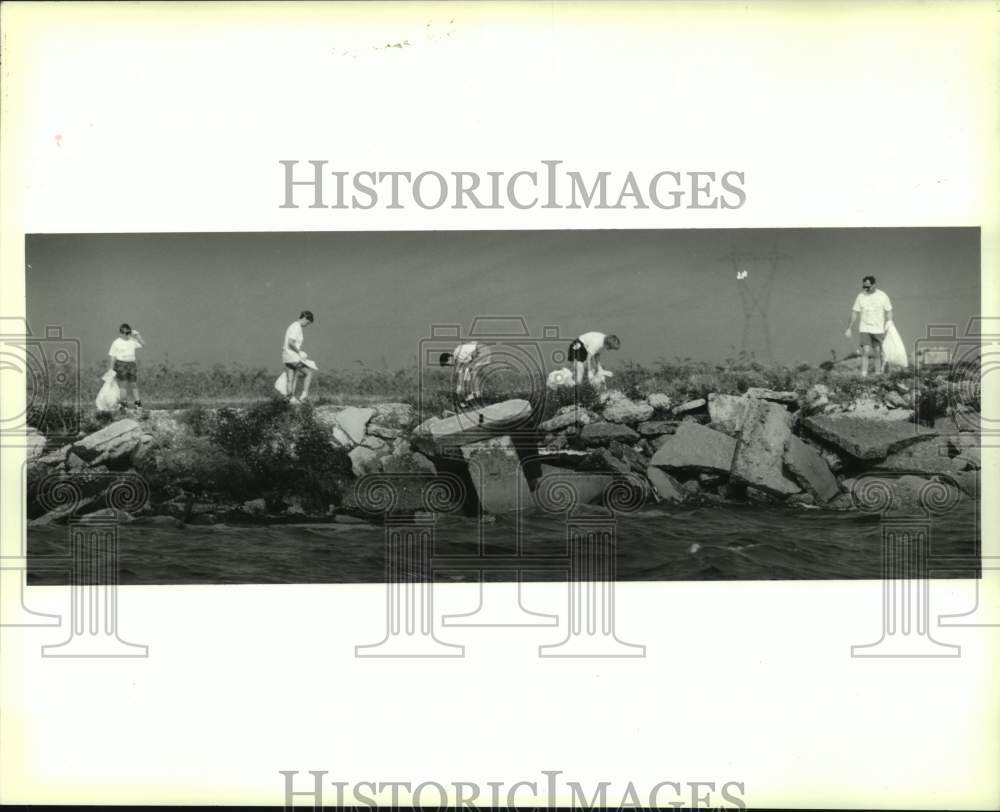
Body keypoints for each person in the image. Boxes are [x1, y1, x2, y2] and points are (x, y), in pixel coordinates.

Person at [845, 276, 893, 378]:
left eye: (868, 286)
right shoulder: (860, 296)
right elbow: (854, 312)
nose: (866, 289)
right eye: (864, 286)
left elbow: (889, 310)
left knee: (877, 351)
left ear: (874, 285)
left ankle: (877, 374)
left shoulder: (882, 295)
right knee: (866, 351)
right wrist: (849, 328)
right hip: (864, 328)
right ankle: (864, 374)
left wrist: (889, 322)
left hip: (878, 329)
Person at [439, 341, 491, 407]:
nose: (450, 366)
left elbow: (460, 371)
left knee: (473, 370)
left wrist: (459, 386)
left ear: (449, 358)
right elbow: (462, 370)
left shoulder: (457, 354)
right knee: (470, 371)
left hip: (482, 351)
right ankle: (474, 393)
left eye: (448, 364)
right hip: (482, 350)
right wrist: (460, 385)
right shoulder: (459, 355)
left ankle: (476, 392)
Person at [107, 323, 145, 410]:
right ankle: (124, 403)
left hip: (131, 364)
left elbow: (143, 344)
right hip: (121, 364)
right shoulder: (116, 342)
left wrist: (138, 335)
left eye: (129, 332)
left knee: (134, 384)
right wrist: (111, 369)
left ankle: (138, 403)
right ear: (121, 333)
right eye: (126, 333)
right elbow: (113, 356)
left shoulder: (132, 340)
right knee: (123, 385)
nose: (128, 335)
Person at [282, 310, 314, 403]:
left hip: (286, 357)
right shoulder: (297, 327)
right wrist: (299, 352)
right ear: (304, 318)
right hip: (293, 356)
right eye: (307, 323)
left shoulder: (291, 326)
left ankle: (290, 399)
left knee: (291, 378)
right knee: (308, 373)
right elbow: (290, 342)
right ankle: (304, 396)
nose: (307, 325)